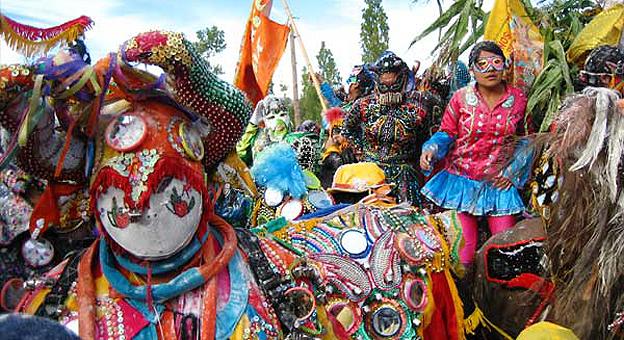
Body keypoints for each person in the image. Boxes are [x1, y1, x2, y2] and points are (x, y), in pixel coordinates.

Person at [419, 41, 532, 267]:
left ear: (505, 66)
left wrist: (511, 172)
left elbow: (527, 139)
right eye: (482, 64)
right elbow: (447, 132)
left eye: (496, 62)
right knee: (464, 255)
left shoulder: (519, 100)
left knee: (505, 253)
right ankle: (464, 301)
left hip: (499, 185)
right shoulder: (461, 98)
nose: (490, 69)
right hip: (462, 181)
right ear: (472, 70)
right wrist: (431, 148)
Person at [343, 51, 434, 206]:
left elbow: (430, 134)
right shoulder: (363, 105)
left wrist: (423, 153)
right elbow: (347, 129)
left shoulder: (421, 103)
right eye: (385, 85)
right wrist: (361, 152)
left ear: (403, 79)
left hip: (405, 175)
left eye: (394, 84)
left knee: (407, 221)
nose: (390, 90)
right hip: (371, 174)